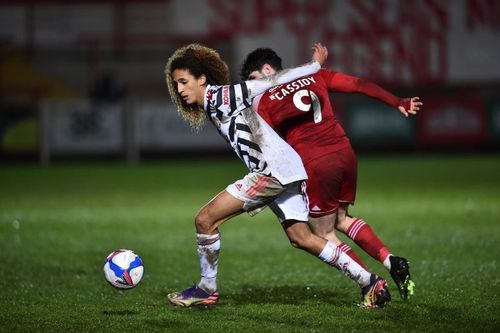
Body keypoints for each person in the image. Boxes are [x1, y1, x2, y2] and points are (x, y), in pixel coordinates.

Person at [164, 43, 391, 309]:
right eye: (176, 84)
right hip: (288, 168)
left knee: (204, 220)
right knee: (302, 238)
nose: (179, 90)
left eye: (183, 82)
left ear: (201, 79)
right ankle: (370, 282)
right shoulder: (213, 105)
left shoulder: (222, 97)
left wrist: (314, 66)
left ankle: (206, 289)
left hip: (270, 172)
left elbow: (272, 80)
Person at [240, 48, 422, 300]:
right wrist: (397, 102)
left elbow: (267, 147)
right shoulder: (315, 75)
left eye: (252, 77)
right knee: (341, 218)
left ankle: (372, 285)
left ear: (268, 70)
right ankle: (391, 261)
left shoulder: (262, 100)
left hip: (316, 162)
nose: (251, 85)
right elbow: (359, 84)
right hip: (344, 151)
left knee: (321, 234)